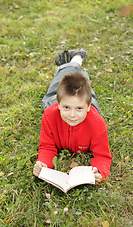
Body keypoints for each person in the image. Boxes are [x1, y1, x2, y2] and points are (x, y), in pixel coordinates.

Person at [33, 49, 112, 184]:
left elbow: (103, 156)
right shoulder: (50, 114)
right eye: (66, 108)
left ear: (87, 106)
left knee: (83, 88)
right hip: (55, 99)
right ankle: (74, 60)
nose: (72, 115)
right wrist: (43, 164)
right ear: (58, 105)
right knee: (60, 82)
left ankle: (75, 59)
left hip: (88, 108)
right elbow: (47, 146)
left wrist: (100, 171)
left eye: (79, 109)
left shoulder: (97, 123)